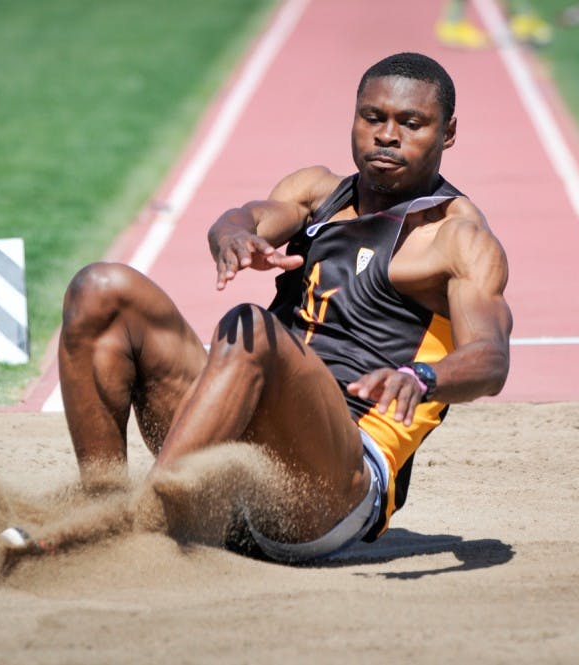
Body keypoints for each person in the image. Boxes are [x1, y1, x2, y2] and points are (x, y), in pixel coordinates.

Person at [30, 52, 512, 563]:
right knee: (100, 289)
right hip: (241, 465)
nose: (387, 135)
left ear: (449, 132)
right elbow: (247, 215)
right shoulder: (316, 193)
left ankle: (138, 524)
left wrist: (422, 378)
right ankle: (100, 505)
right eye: (373, 118)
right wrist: (233, 235)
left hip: (331, 488)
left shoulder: (458, 237)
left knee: (251, 330)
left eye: (411, 123)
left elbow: (491, 358)